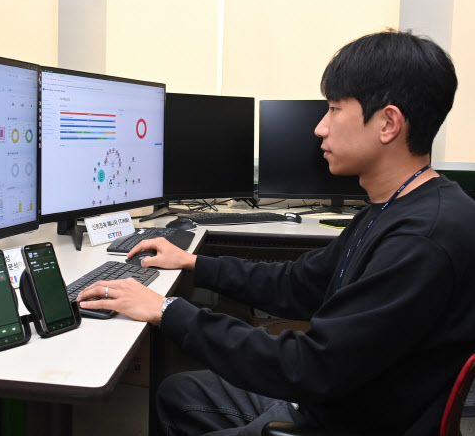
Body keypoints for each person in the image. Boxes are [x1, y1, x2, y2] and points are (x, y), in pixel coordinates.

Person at [77, 29, 475, 436]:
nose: (320, 128)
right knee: (178, 393)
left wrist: (167, 310)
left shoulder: (422, 239)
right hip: (341, 395)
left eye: (334, 109)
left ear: (388, 123)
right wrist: (194, 262)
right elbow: (298, 284)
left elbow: (310, 366)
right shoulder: (393, 207)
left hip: (345, 420)